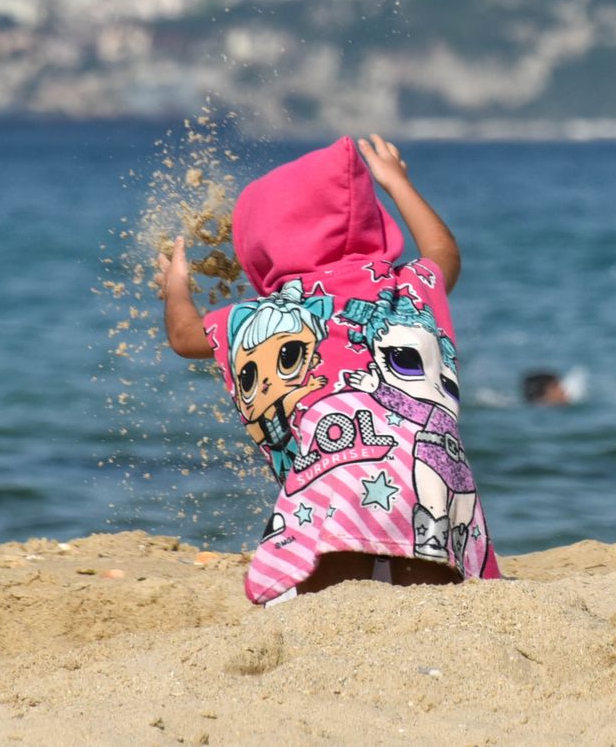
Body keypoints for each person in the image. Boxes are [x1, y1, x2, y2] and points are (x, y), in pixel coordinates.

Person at [155, 134, 501, 605]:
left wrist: (176, 288)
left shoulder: (269, 317)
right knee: (433, 594)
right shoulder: (407, 287)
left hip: (340, 472)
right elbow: (445, 253)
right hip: (432, 466)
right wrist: (397, 183)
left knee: (330, 598)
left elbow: (184, 337)